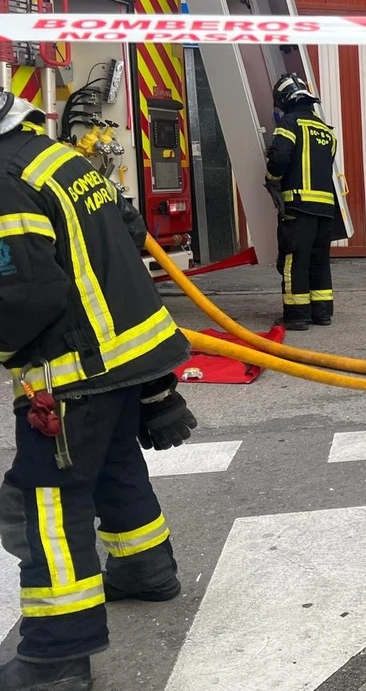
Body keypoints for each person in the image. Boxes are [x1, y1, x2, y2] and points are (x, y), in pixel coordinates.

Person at [0, 90, 196, 690]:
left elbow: (25, 294)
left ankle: (56, 656)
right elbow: (131, 229)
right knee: (114, 466)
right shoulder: (59, 158)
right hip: (124, 357)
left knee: (48, 504)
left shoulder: (5, 179)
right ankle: (143, 568)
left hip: (71, 370)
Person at [266, 72, 340, 331]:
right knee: (319, 260)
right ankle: (322, 312)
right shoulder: (326, 131)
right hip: (326, 209)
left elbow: (280, 158)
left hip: (299, 207)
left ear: (286, 99)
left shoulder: (290, 123)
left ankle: (297, 315)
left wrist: (271, 178)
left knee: (294, 260)